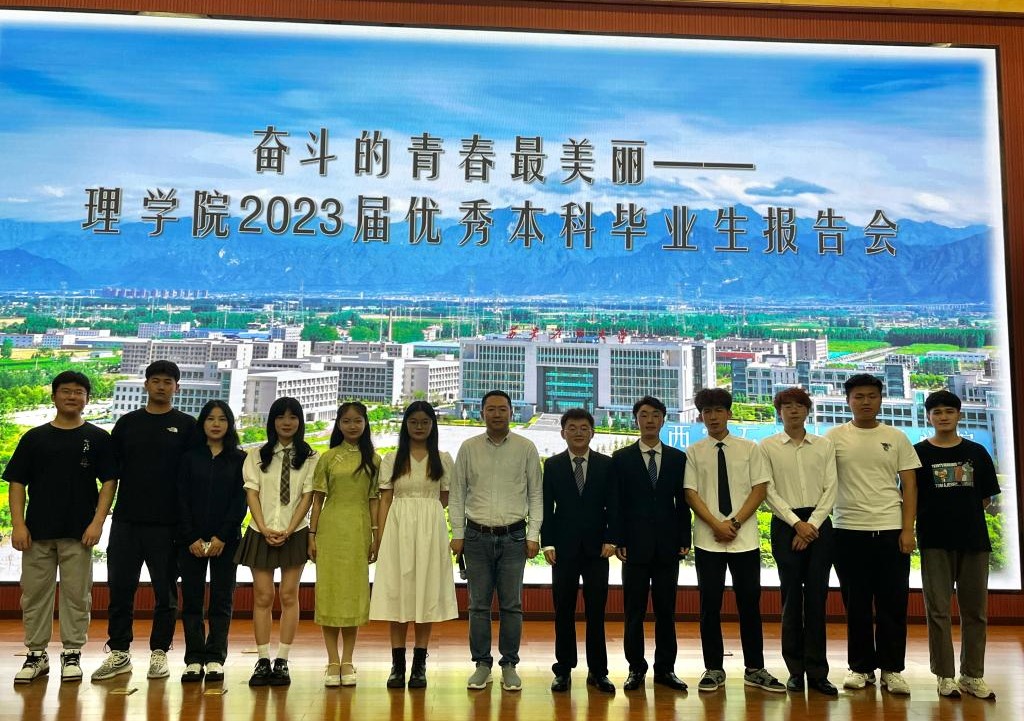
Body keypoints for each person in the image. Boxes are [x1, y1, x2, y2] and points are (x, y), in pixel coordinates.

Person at [6, 371, 117, 684]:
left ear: (87, 399)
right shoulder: (34, 438)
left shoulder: (98, 438)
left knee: (77, 596)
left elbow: (109, 482)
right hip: (36, 532)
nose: (72, 396)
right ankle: (36, 654)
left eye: (79, 392)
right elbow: (17, 483)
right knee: (34, 595)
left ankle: (72, 653)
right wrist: (18, 525)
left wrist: (97, 523)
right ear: (54, 396)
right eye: (66, 391)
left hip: (79, 534)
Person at [93, 360, 195, 682]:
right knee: (120, 589)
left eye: (168, 381)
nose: (161, 386)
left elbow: (193, 476)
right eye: (156, 380)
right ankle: (119, 652)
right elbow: (111, 473)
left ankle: (159, 652)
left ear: (177, 387)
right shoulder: (127, 424)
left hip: (167, 525)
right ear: (146, 384)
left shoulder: (187, 426)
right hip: (127, 521)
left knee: (166, 593)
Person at [685, 388, 785, 693]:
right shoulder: (694, 451)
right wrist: (716, 524)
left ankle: (755, 668)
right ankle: (713, 669)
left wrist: (735, 522)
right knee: (709, 606)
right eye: (707, 412)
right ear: (701, 417)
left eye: (718, 410)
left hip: (745, 540)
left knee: (749, 605)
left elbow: (760, 489)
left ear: (729, 413)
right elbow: (691, 493)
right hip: (708, 540)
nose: (713, 417)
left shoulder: (749, 448)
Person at [825, 374, 920, 695]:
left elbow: (910, 485)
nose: (865, 402)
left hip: (891, 530)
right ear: (848, 400)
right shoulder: (834, 438)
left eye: (871, 396)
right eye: (858, 396)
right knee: (857, 605)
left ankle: (892, 669)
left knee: (893, 603)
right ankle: (861, 667)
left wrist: (908, 529)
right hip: (848, 531)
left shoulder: (896, 437)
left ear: (880, 399)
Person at [449, 390, 542, 692]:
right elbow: (457, 493)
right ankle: (482, 664)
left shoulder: (526, 448)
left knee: (512, 605)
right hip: (476, 537)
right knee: (478, 605)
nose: (497, 414)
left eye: (503, 409)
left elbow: (535, 494)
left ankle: (509, 664)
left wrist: (533, 535)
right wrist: (458, 533)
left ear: (512, 412)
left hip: (514, 537)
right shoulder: (469, 448)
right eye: (491, 409)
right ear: (482, 413)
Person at [915, 390, 1000, 700]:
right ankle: (945, 675)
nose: (943, 417)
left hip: (974, 541)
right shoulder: (917, 454)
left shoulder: (977, 452)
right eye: (937, 412)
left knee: (975, 611)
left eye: (949, 411)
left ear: (959, 415)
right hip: (934, 541)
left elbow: (985, 498)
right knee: (938, 611)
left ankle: (972, 675)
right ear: (929, 417)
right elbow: (909, 496)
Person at [370, 401, 458, 689]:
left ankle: (419, 665)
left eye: (425, 422)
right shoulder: (392, 458)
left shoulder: (442, 459)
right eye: (413, 422)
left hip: (430, 531)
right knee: (398, 594)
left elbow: (445, 497)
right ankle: (397, 665)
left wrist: (425, 512)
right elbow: (385, 499)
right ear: (405, 425)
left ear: (433, 425)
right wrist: (380, 537)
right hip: (397, 529)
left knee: (425, 592)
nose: (419, 427)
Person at [761, 388, 838, 696]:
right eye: (787, 406)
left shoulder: (824, 445)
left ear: (807, 410)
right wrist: (796, 523)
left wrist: (812, 525)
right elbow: (768, 490)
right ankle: (795, 670)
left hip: (819, 525)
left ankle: (818, 672)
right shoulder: (767, 446)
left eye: (799, 405)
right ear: (779, 412)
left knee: (818, 598)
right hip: (785, 524)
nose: (793, 410)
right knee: (791, 598)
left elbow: (832, 487)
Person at [235, 397, 317, 687]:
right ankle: (262, 659)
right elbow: (252, 494)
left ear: (300, 422)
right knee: (263, 596)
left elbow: (307, 496)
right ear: (272, 421)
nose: (286, 422)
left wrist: (290, 529)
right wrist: (264, 527)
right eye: (281, 417)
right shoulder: (256, 455)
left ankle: (282, 659)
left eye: (293, 417)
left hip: (295, 532)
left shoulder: (310, 457)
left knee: (289, 595)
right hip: (260, 531)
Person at [612, 395, 690, 692]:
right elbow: (617, 504)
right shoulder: (622, 458)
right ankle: (636, 669)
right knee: (634, 612)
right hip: (634, 546)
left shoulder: (677, 458)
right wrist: (619, 539)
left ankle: (666, 669)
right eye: (644, 415)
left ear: (663, 420)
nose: (649, 420)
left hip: (668, 545)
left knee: (666, 611)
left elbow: (682, 503)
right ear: (636, 420)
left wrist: (684, 537)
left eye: (655, 415)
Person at [541, 408, 618, 694]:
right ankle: (563, 669)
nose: (578, 432)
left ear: (592, 432)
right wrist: (548, 542)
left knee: (596, 612)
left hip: (598, 550)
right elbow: (546, 507)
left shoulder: (606, 464)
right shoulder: (553, 465)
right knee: (564, 610)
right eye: (572, 428)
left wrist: (612, 539)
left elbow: (615, 505)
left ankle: (598, 671)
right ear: (563, 433)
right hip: (563, 549)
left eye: (584, 428)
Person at [309, 402, 381, 688]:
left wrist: (376, 535)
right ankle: (332, 660)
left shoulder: (374, 459)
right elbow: (317, 500)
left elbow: (374, 500)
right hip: (330, 530)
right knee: (329, 593)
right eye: (347, 421)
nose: (352, 426)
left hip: (359, 530)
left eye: (358, 421)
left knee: (353, 594)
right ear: (338, 424)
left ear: (365, 424)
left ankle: (348, 659)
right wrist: (311, 534)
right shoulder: (328, 458)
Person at [176, 400, 247, 683]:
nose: (216, 424)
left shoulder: (240, 459)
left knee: (222, 599)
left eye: (222, 419)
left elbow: (240, 501)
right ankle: (194, 658)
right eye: (210, 419)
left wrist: (222, 536)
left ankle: (216, 656)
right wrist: (190, 537)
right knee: (192, 601)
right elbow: (180, 499)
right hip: (190, 542)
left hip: (226, 541)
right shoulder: (188, 457)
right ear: (202, 423)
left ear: (230, 424)